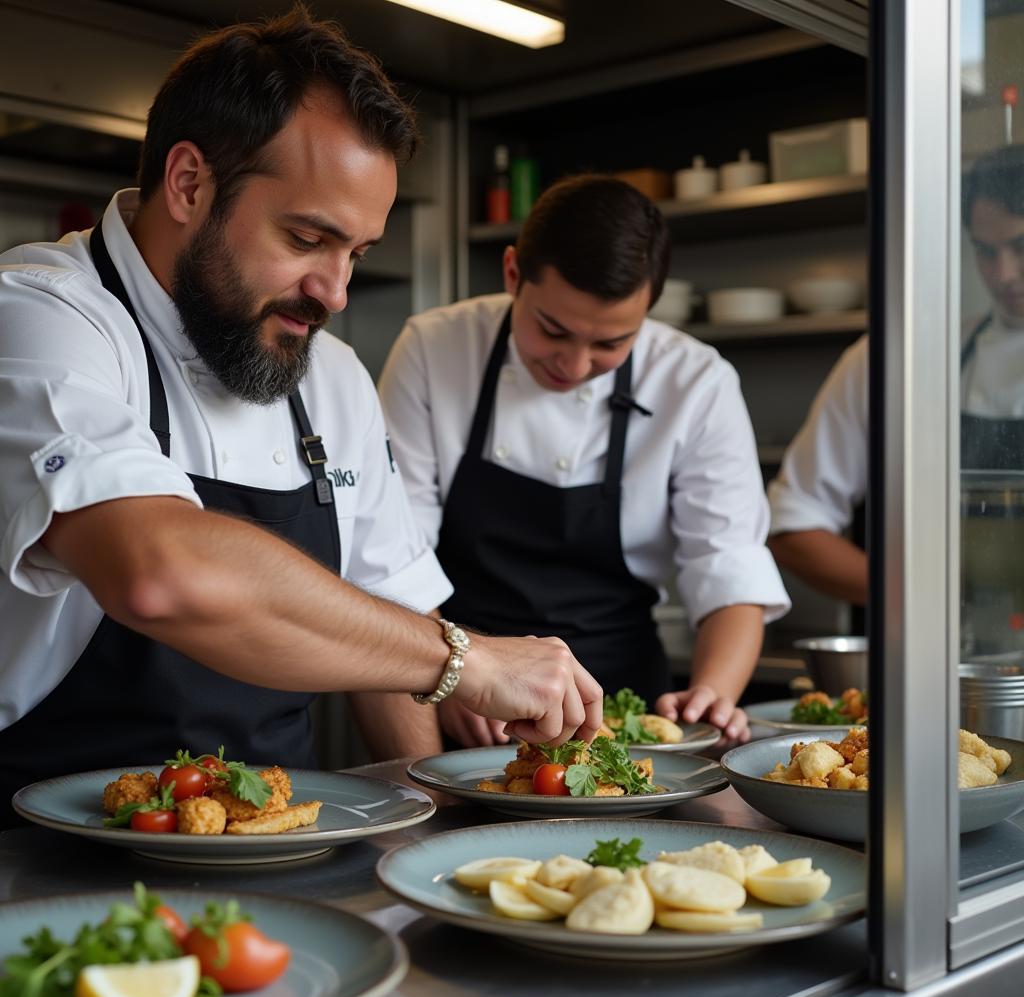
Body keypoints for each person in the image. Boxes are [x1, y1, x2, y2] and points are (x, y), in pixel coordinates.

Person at [0, 9, 602, 826]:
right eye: (307, 237)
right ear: (189, 183)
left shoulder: (333, 378)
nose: (336, 292)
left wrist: (425, 828)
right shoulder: (39, 315)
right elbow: (157, 569)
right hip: (35, 859)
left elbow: (386, 624)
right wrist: (463, 659)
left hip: (279, 847)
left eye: (356, 253)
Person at [378, 174, 790, 747]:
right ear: (513, 273)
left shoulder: (696, 382)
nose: (573, 366)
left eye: (610, 344)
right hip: (469, 693)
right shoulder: (434, 348)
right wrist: (454, 670)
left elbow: (728, 563)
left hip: (624, 711)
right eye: (553, 330)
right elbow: (394, 555)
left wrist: (712, 695)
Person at [768, 144, 1024, 606]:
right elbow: (793, 524)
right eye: (986, 251)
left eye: (1021, 247)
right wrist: (930, 603)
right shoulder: (896, 360)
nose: (1004, 274)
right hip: (933, 660)